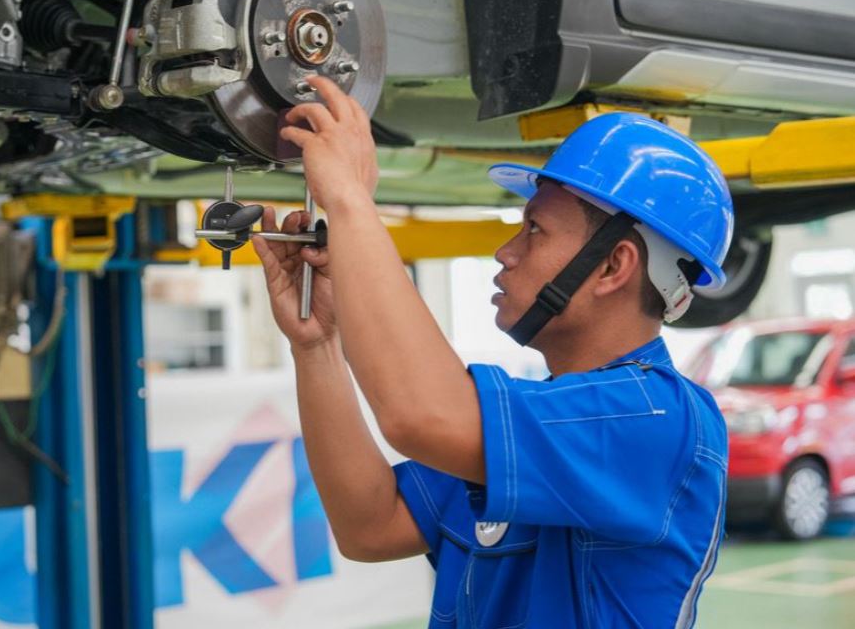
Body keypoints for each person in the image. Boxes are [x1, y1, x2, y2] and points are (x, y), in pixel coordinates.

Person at [253, 75, 734, 628]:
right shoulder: (537, 427)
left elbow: (421, 414)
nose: (506, 253)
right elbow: (370, 525)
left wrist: (350, 199)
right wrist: (317, 346)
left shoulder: (660, 420)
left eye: (534, 230)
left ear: (612, 267)